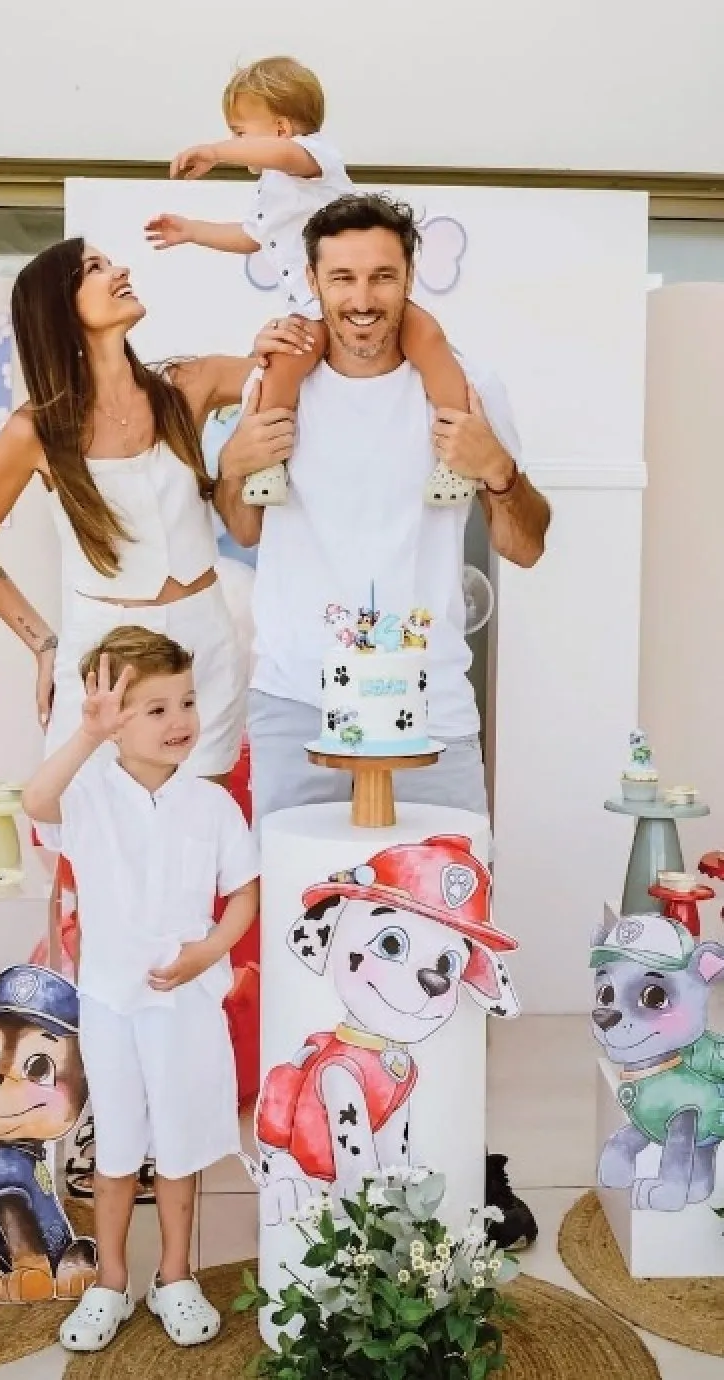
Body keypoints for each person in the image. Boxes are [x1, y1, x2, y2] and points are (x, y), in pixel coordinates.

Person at [212, 192, 551, 1249]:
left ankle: (455, 1157)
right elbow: (240, 526)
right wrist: (233, 461)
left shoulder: (465, 389)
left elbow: (527, 541)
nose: (362, 299)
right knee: (303, 936)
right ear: (313, 282)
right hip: (296, 702)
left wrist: (497, 467)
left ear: (411, 278)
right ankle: (310, 1171)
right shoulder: (277, 383)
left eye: (381, 277)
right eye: (343, 278)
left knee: (445, 941)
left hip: (430, 710)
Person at [0, 236, 297, 781]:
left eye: (110, 262)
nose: (119, 270)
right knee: (90, 819)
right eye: (95, 267)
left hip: (204, 642)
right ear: (59, 307)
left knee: (198, 818)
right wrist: (43, 645)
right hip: (104, 656)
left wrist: (273, 351)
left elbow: (287, 375)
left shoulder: (188, 385)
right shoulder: (35, 431)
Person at [22, 627, 259, 1351]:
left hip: (186, 1005)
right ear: (115, 721)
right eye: (156, 709)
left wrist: (208, 952)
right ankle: (110, 1281)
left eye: (185, 701)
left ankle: (176, 1274)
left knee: (180, 1144)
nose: (180, 719)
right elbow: (35, 799)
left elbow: (244, 895)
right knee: (118, 1145)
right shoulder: (88, 795)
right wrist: (86, 735)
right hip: (111, 1004)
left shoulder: (212, 804)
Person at [146, 55, 469, 504]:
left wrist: (217, 152)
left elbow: (284, 155)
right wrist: (192, 231)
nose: (236, 144)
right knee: (282, 365)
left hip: (355, 292)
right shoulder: (269, 190)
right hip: (311, 307)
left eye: (240, 132)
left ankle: (457, 453)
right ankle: (269, 460)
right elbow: (251, 237)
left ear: (281, 129)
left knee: (428, 339)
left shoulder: (315, 157)